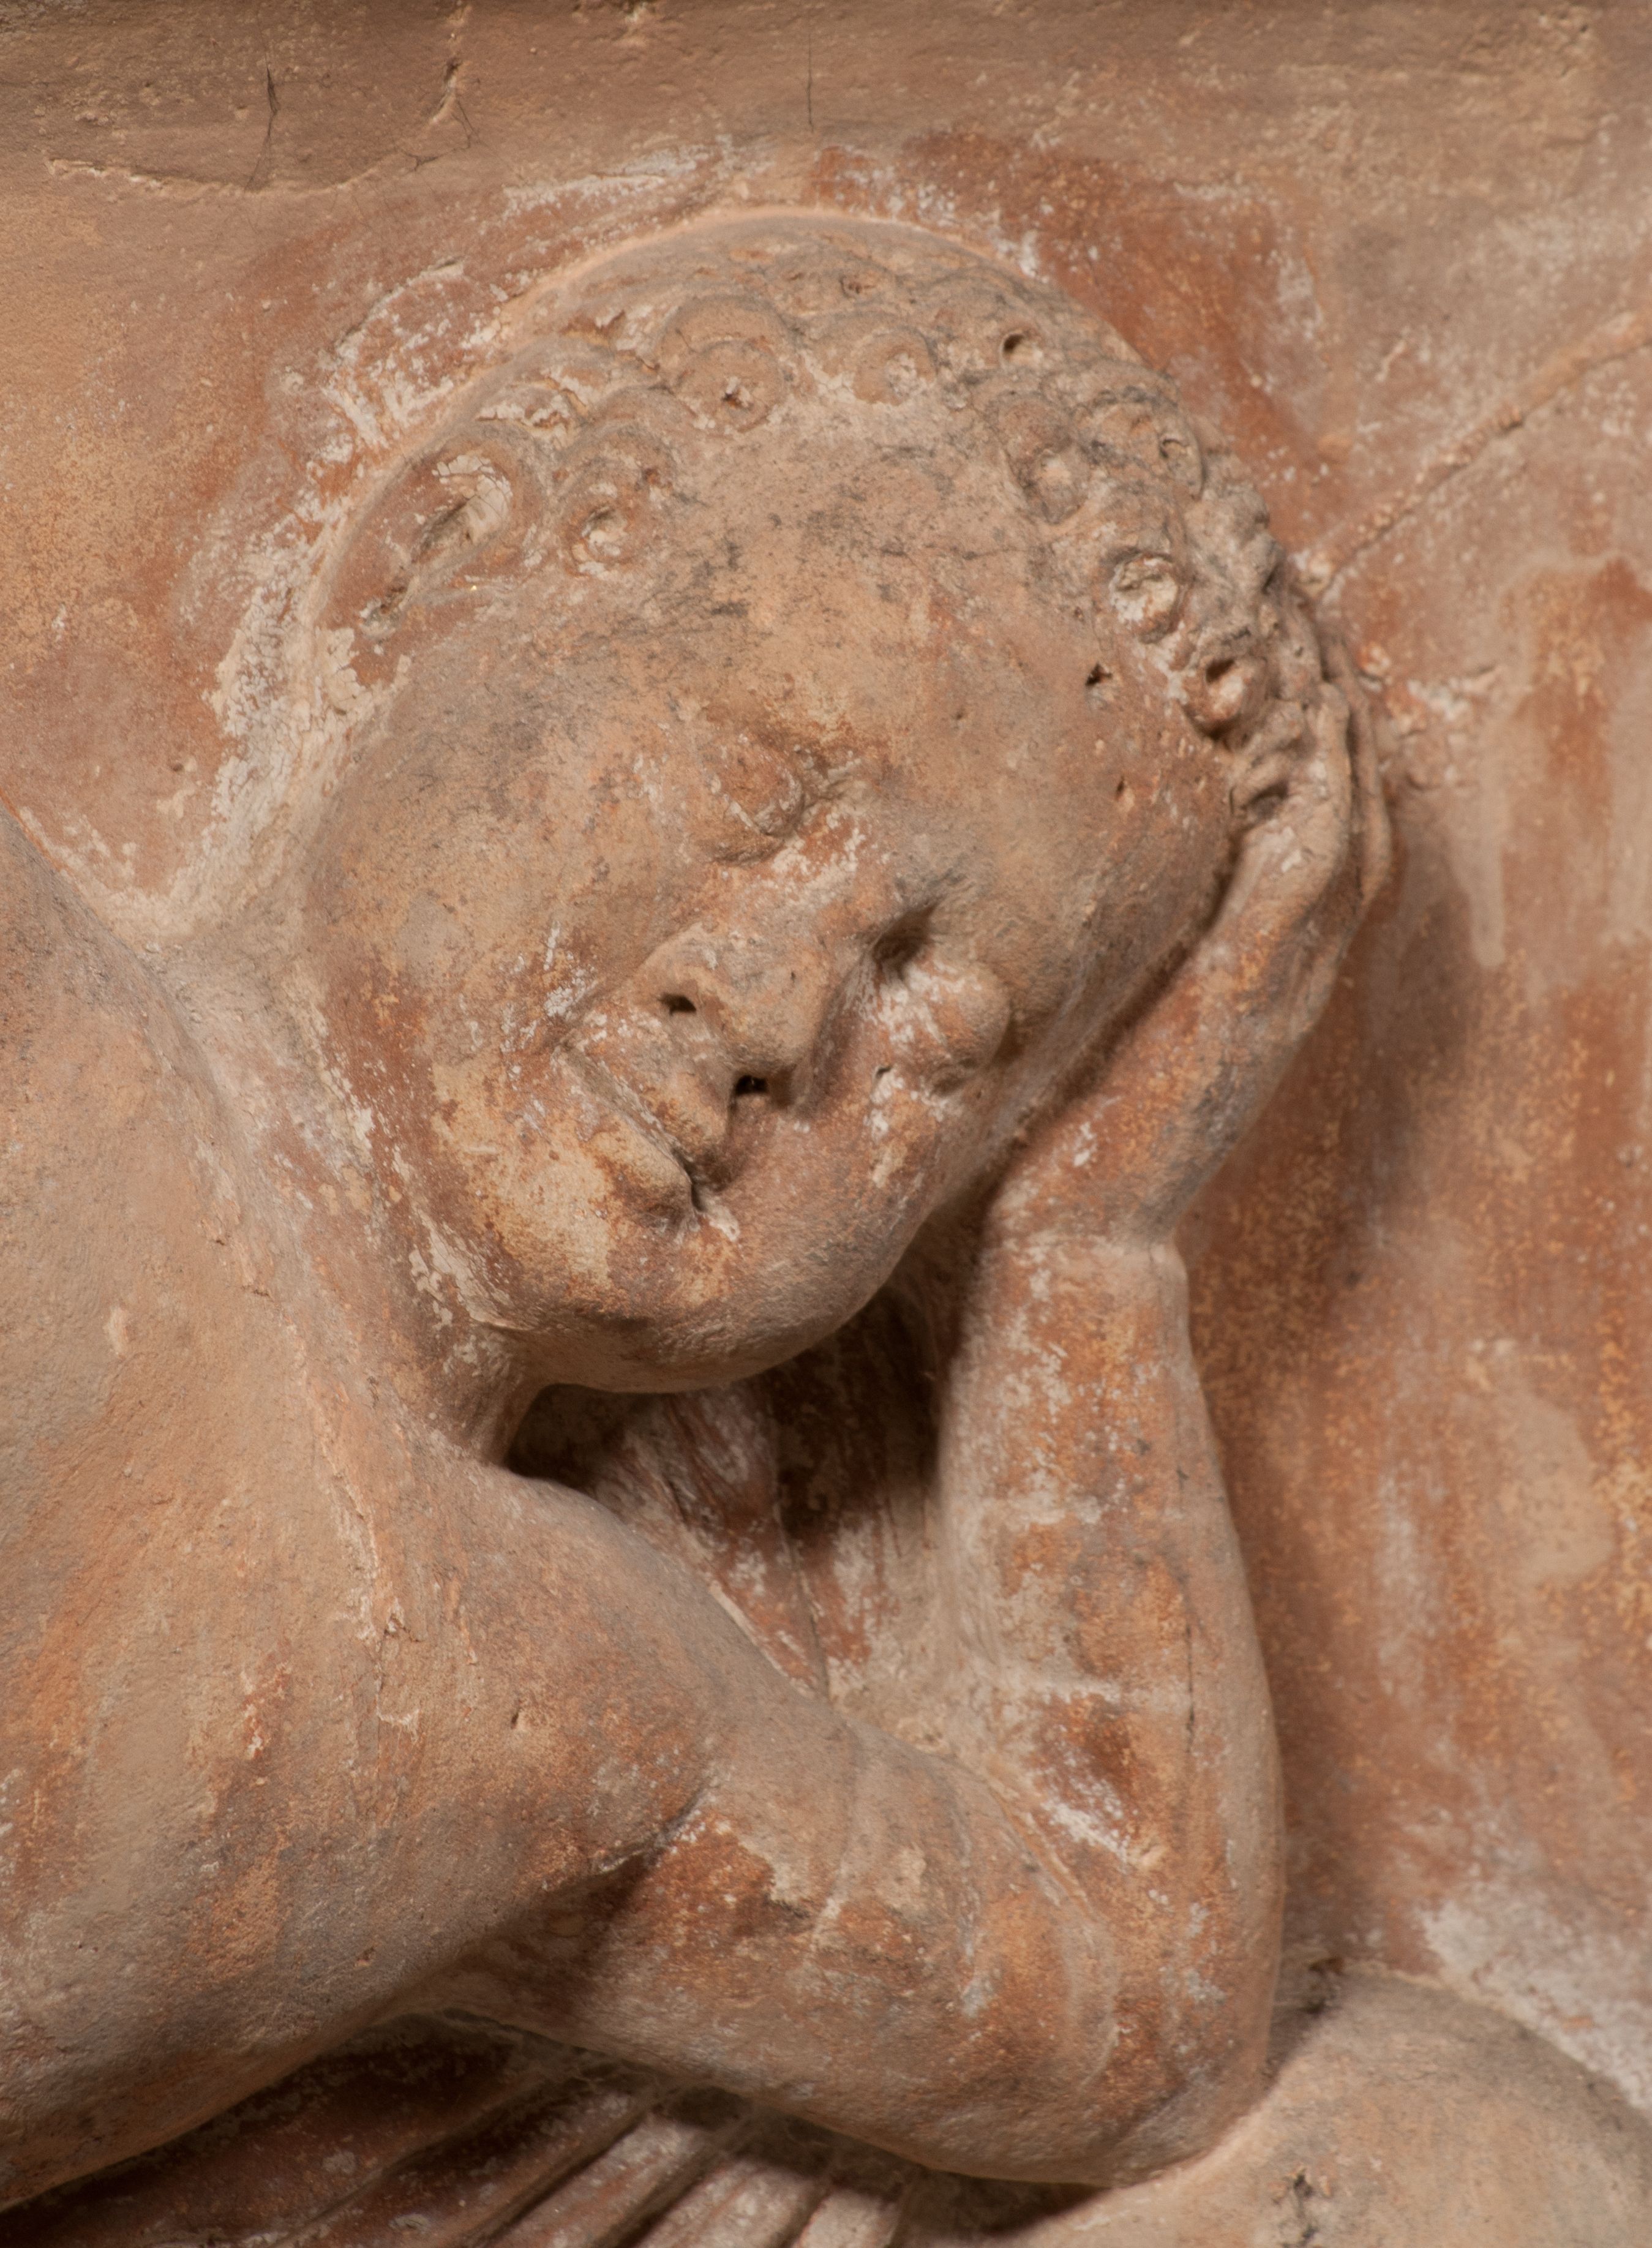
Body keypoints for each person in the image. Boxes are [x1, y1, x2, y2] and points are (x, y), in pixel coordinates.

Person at [0, 216, 1385, 2228]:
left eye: (944, 1028)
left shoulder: (551, 1703)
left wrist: (1093, 1241)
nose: (773, 1016)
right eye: (753, 793)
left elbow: (1129, 2029)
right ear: (425, 568)